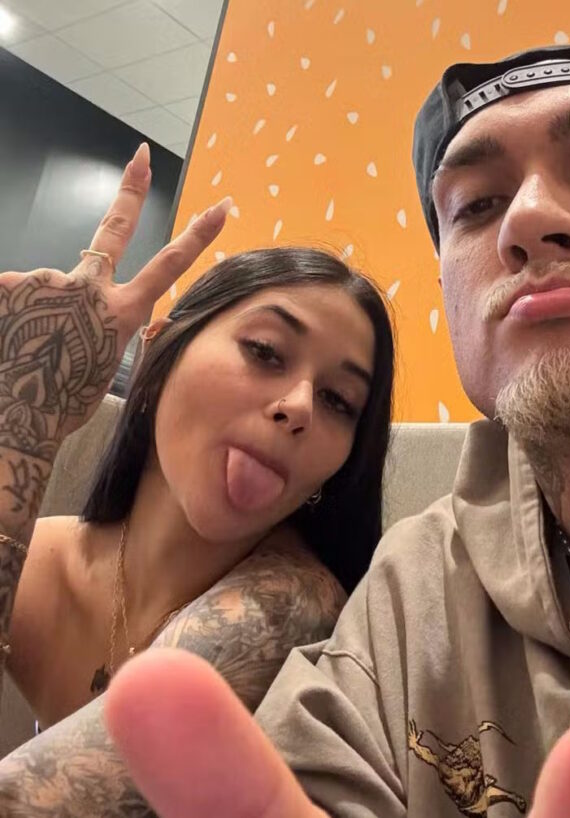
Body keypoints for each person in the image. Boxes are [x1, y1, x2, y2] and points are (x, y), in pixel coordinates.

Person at [0, 27, 570, 817]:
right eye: (477, 205)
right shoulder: (418, 590)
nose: (527, 219)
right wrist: (25, 411)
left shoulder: (293, 602)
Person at [0, 143, 394, 813]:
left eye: (338, 401)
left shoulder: (295, 605)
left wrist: (24, 421)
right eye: (265, 351)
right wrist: (28, 413)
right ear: (157, 358)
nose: (299, 405)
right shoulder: (43, 560)